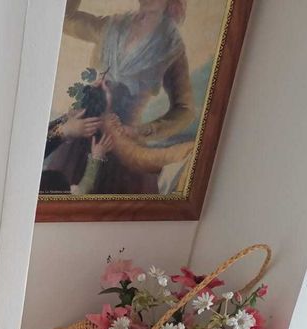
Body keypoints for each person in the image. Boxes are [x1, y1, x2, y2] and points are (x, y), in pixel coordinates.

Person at [46, 0, 195, 194]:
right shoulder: (111, 27)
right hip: (80, 136)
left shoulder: (171, 47)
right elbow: (65, 19)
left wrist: (142, 130)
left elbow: (185, 109)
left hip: (123, 149)